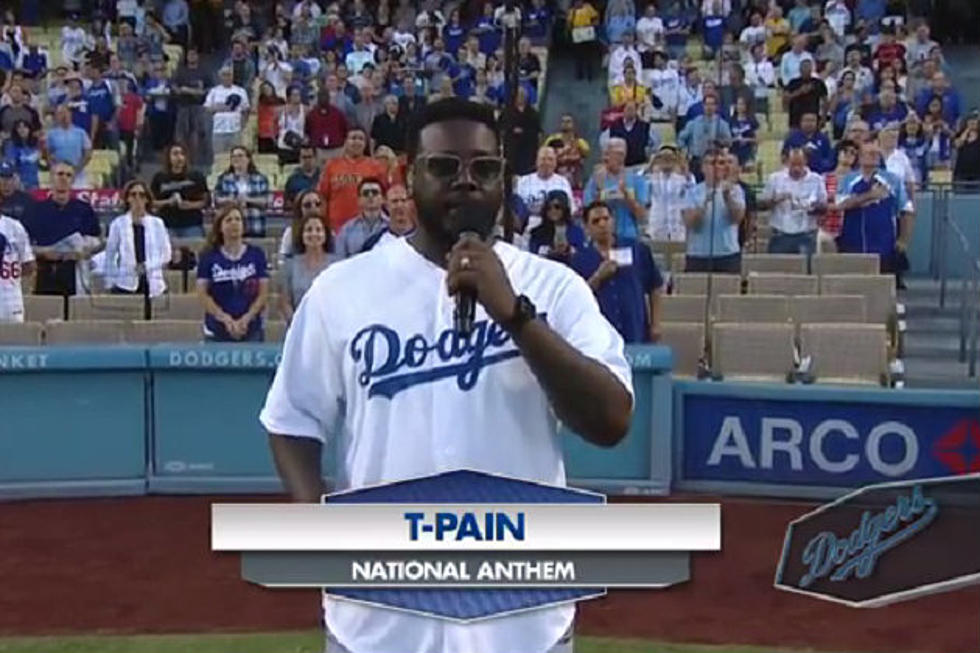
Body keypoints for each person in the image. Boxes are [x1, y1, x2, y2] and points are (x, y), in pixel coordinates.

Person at [259, 96, 632, 653]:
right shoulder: (343, 289)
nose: (466, 181)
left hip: (522, 621)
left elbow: (610, 420)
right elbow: (292, 420)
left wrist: (514, 314)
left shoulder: (554, 287)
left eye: (483, 168)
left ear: (503, 179)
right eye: (444, 166)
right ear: (409, 174)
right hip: (377, 623)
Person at [572, 200, 662, 344]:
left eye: (606, 219)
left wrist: (656, 323)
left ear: (613, 221)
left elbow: (655, 286)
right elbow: (577, 297)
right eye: (596, 221)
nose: (602, 224)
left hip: (635, 328)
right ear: (586, 228)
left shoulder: (637, 249)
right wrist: (598, 277)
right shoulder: (579, 259)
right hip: (600, 332)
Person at [834, 141, 913, 273]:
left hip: (884, 243)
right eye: (870, 153)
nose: (874, 156)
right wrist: (870, 195)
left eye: (877, 154)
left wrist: (903, 239)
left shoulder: (893, 180)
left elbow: (907, 210)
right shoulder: (848, 180)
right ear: (859, 157)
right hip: (853, 242)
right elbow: (841, 205)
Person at [27, 162, 102, 296]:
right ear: (51, 178)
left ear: (73, 180)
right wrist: (43, 252)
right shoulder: (35, 210)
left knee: (76, 315)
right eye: (60, 174)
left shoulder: (84, 209)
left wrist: (84, 251)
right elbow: (25, 245)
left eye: (68, 175)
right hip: (45, 272)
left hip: (75, 273)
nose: (64, 178)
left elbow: (98, 241)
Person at [196, 205, 269, 342]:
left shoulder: (256, 254)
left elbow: (263, 293)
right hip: (217, 329)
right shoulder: (208, 257)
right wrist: (225, 319)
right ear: (220, 227)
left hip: (251, 328)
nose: (234, 223)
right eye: (228, 220)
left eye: (238, 219)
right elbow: (202, 294)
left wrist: (246, 319)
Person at [103, 179, 172, 297]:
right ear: (127, 198)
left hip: (154, 282)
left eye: (142, 195)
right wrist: (110, 282)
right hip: (125, 282)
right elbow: (110, 255)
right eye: (133, 194)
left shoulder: (157, 223)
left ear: (147, 199)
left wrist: (147, 266)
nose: (137, 198)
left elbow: (166, 254)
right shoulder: (118, 224)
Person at [682, 151, 745, 273]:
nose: (716, 167)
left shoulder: (735, 190)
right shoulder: (692, 192)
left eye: (720, 163)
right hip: (698, 255)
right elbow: (690, 223)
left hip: (727, 254)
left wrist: (728, 198)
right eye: (711, 163)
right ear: (703, 168)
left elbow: (738, 218)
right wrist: (704, 204)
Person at [757, 148, 828, 256]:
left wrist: (811, 206)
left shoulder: (816, 180)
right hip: (780, 234)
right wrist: (775, 200)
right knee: (776, 270)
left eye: (799, 164)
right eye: (793, 165)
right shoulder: (775, 179)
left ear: (805, 161)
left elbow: (824, 207)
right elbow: (761, 205)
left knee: (807, 270)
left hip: (807, 235)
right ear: (787, 162)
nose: (796, 168)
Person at [317, 128, 387, 232]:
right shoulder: (332, 165)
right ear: (345, 142)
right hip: (336, 228)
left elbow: (384, 197)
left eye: (361, 139)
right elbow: (322, 197)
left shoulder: (376, 167)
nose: (357, 142)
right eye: (353, 138)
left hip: (367, 228)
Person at [583, 138, 648, 245]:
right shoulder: (595, 179)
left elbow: (641, 215)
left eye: (622, 154)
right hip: (601, 238)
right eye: (616, 154)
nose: (620, 158)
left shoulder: (636, 179)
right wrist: (599, 190)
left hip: (628, 236)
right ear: (606, 155)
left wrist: (627, 197)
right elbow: (588, 212)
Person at [277, 203, 334, 324]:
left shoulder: (336, 264)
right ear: (302, 235)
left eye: (318, 230)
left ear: (325, 235)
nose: (314, 234)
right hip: (298, 327)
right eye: (309, 230)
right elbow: (285, 302)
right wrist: (297, 325)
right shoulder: (290, 265)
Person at [151, 143, 210, 238]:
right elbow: (151, 202)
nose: (179, 157)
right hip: (167, 224)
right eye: (175, 154)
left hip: (191, 224)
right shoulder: (159, 177)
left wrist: (190, 205)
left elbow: (205, 201)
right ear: (168, 157)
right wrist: (168, 202)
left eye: (182, 154)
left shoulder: (197, 176)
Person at [215, 146, 272, 238]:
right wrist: (232, 201)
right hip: (230, 229)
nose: (236, 159)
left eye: (240, 156)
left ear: (248, 159)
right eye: (233, 156)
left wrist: (248, 200)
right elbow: (217, 200)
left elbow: (267, 201)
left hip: (254, 226)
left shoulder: (260, 179)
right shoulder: (223, 179)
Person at [515, 145, 575, 227]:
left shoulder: (563, 182)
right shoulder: (523, 181)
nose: (546, 163)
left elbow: (571, 209)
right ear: (536, 161)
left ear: (555, 162)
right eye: (543, 159)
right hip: (527, 226)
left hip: (556, 227)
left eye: (550, 159)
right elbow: (516, 209)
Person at [173, 47, 212, 166]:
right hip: (183, 105)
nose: (192, 57)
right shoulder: (181, 71)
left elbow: (210, 88)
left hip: (198, 106)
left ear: (197, 56)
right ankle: (181, 158)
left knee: (196, 133)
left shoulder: (204, 71)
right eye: (189, 55)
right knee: (181, 134)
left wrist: (200, 92)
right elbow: (174, 86)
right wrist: (181, 90)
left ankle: (194, 160)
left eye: (194, 54)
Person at [646, 144, 693, 242]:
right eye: (663, 158)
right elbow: (641, 181)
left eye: (670, 158)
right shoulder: (652, 177)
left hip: (677, 226)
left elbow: (691, 189)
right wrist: (652, 163)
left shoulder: (683, 179)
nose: (666, 160)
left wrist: (682, 165)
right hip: (657, 226)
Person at [335, 177, 389, 258]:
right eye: (366, 193)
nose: (370, 196)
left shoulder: (392, 227)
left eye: (375, 192)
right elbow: (339, 261)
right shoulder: (347, 230)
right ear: (359, 200)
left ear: (383, 199)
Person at [528, 189, 585, 263]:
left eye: (557, 207)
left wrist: (568, 250)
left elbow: (581, 253)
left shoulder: (576, 231)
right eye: (549, 207)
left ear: (564, 208)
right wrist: (550, 251)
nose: (553, 210)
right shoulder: (536, 232)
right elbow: (533, 254)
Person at [0, 200, 34, 322]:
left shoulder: (14, 227)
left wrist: (10, 278)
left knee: (14, 339)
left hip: (11, 300)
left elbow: (28, 264)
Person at [204, 66, 250, 157]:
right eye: (224, 75)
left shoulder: (240, 91)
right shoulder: (214, 91)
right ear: (220, 77)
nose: (227, 77)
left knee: (235, 155)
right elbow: (207, 108)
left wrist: (243, 124)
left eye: (229, 75)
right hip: (219, 130)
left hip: (235, 130)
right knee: (219, 157)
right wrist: (223, 108)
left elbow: (246, 109)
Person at [44, 104, 92, 188]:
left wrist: (77, 168)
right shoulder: (51, 134)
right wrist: (53, 167)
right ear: (56, 117)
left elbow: (88, 153)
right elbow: (47, 154)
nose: (63, 116)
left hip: (78, 174)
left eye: (65, 113)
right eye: (60, 113)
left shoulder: (81, 133)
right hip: (58, 174)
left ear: (70, 114)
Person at [783, 59, 827, 129]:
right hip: (796, 120)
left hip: (813, 119)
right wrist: (799, 91)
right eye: (804, 67)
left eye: (808, 68)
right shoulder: (793, 83)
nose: (806, 70)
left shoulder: (818, 83)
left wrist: (823, 118)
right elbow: (785, 99)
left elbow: (825, 101)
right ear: (800, 69)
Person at [3, 120, 40, 189]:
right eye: (19, 127)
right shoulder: (11, 145)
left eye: (25, 127)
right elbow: (9, 164)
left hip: (37, 181)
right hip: (20, 182)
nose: (22, 129)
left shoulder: (36, 144)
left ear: (29, 129)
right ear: (16, 130)